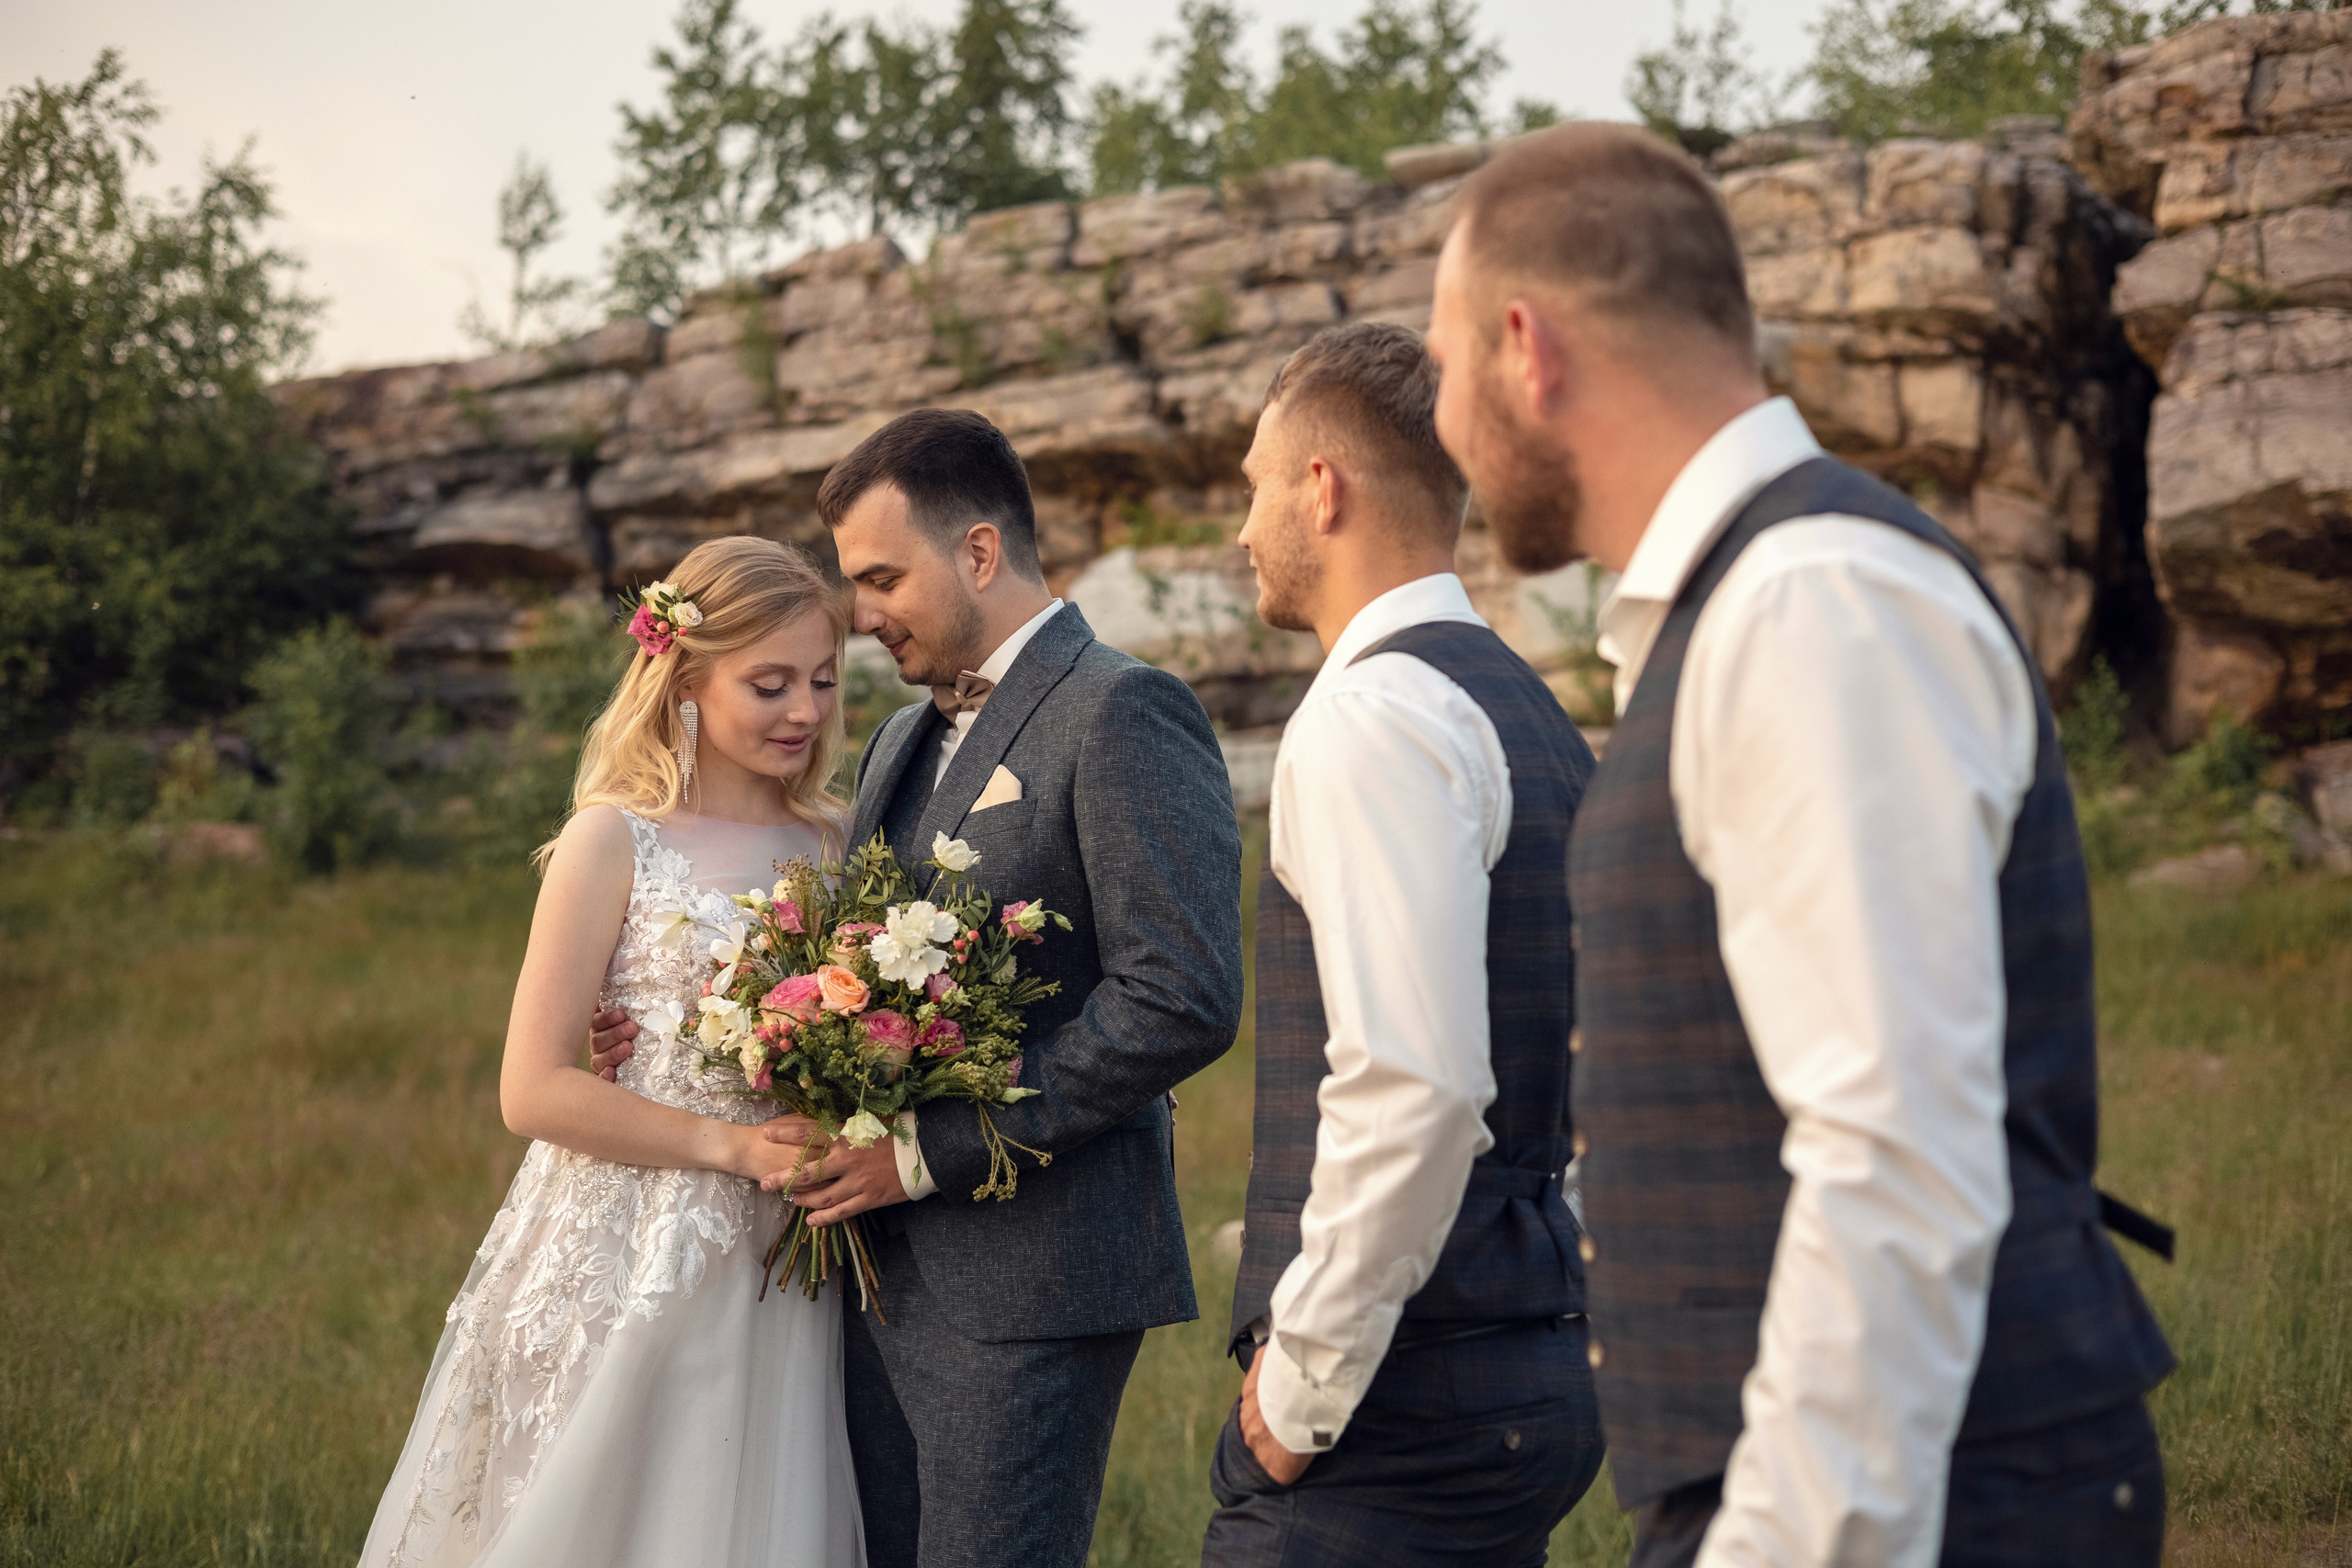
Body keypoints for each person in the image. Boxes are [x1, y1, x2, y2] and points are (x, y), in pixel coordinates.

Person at [1421, 121, 2177, 1568]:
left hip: (1924, 1507)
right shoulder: (1750, 603)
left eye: (1448, 366)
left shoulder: (1811, 603)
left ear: (1529, 346)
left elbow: (1893, 1155)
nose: (1446, 424)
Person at [598, 408, 1245, 1568]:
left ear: (980, 554)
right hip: (872, 1285)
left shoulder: (1123, 710)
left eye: (883, 576)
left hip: (1034, 1282)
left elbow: (1180, 996)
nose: (862, 613)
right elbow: (836, 967)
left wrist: (926, 1151)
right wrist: (664, 1037)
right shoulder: (899, 738)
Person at [357, 537, 865, 1568]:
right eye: (769, 684)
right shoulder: (613, 839)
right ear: (682, 676)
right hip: (628, 1234)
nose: (805, 712)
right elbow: (532, 1087)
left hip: (790, 1252)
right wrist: (730, 1149)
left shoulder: (837, 842)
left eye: (821, 679)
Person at [1201, 321, 1606, 1568]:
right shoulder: (1533, 711)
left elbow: (1416, 1090)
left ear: (1322, 490)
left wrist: (1299, 1386)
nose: (1242, 527)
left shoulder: (1373, 715)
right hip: (1527, 1357)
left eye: (1257, 486)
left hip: (1395, 1410)